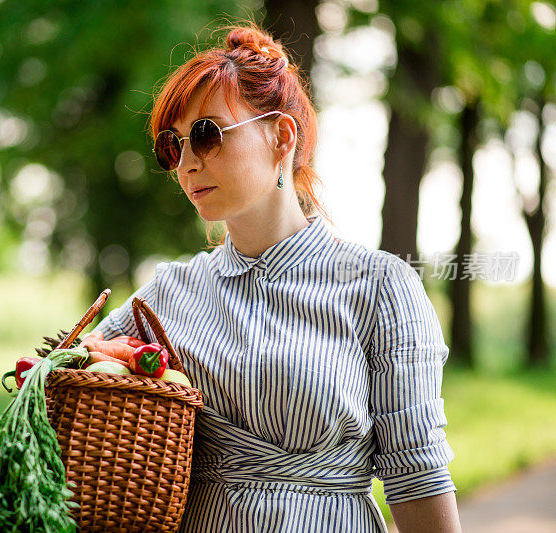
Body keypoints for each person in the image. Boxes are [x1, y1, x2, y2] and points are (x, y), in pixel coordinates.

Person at [83, 21, 461, 533]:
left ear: (280, 136)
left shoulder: (379, 287)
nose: (188, 162)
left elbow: (418, 478)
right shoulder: (167, 295)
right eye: (173, 145)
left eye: (207, 134)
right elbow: (71, 382)